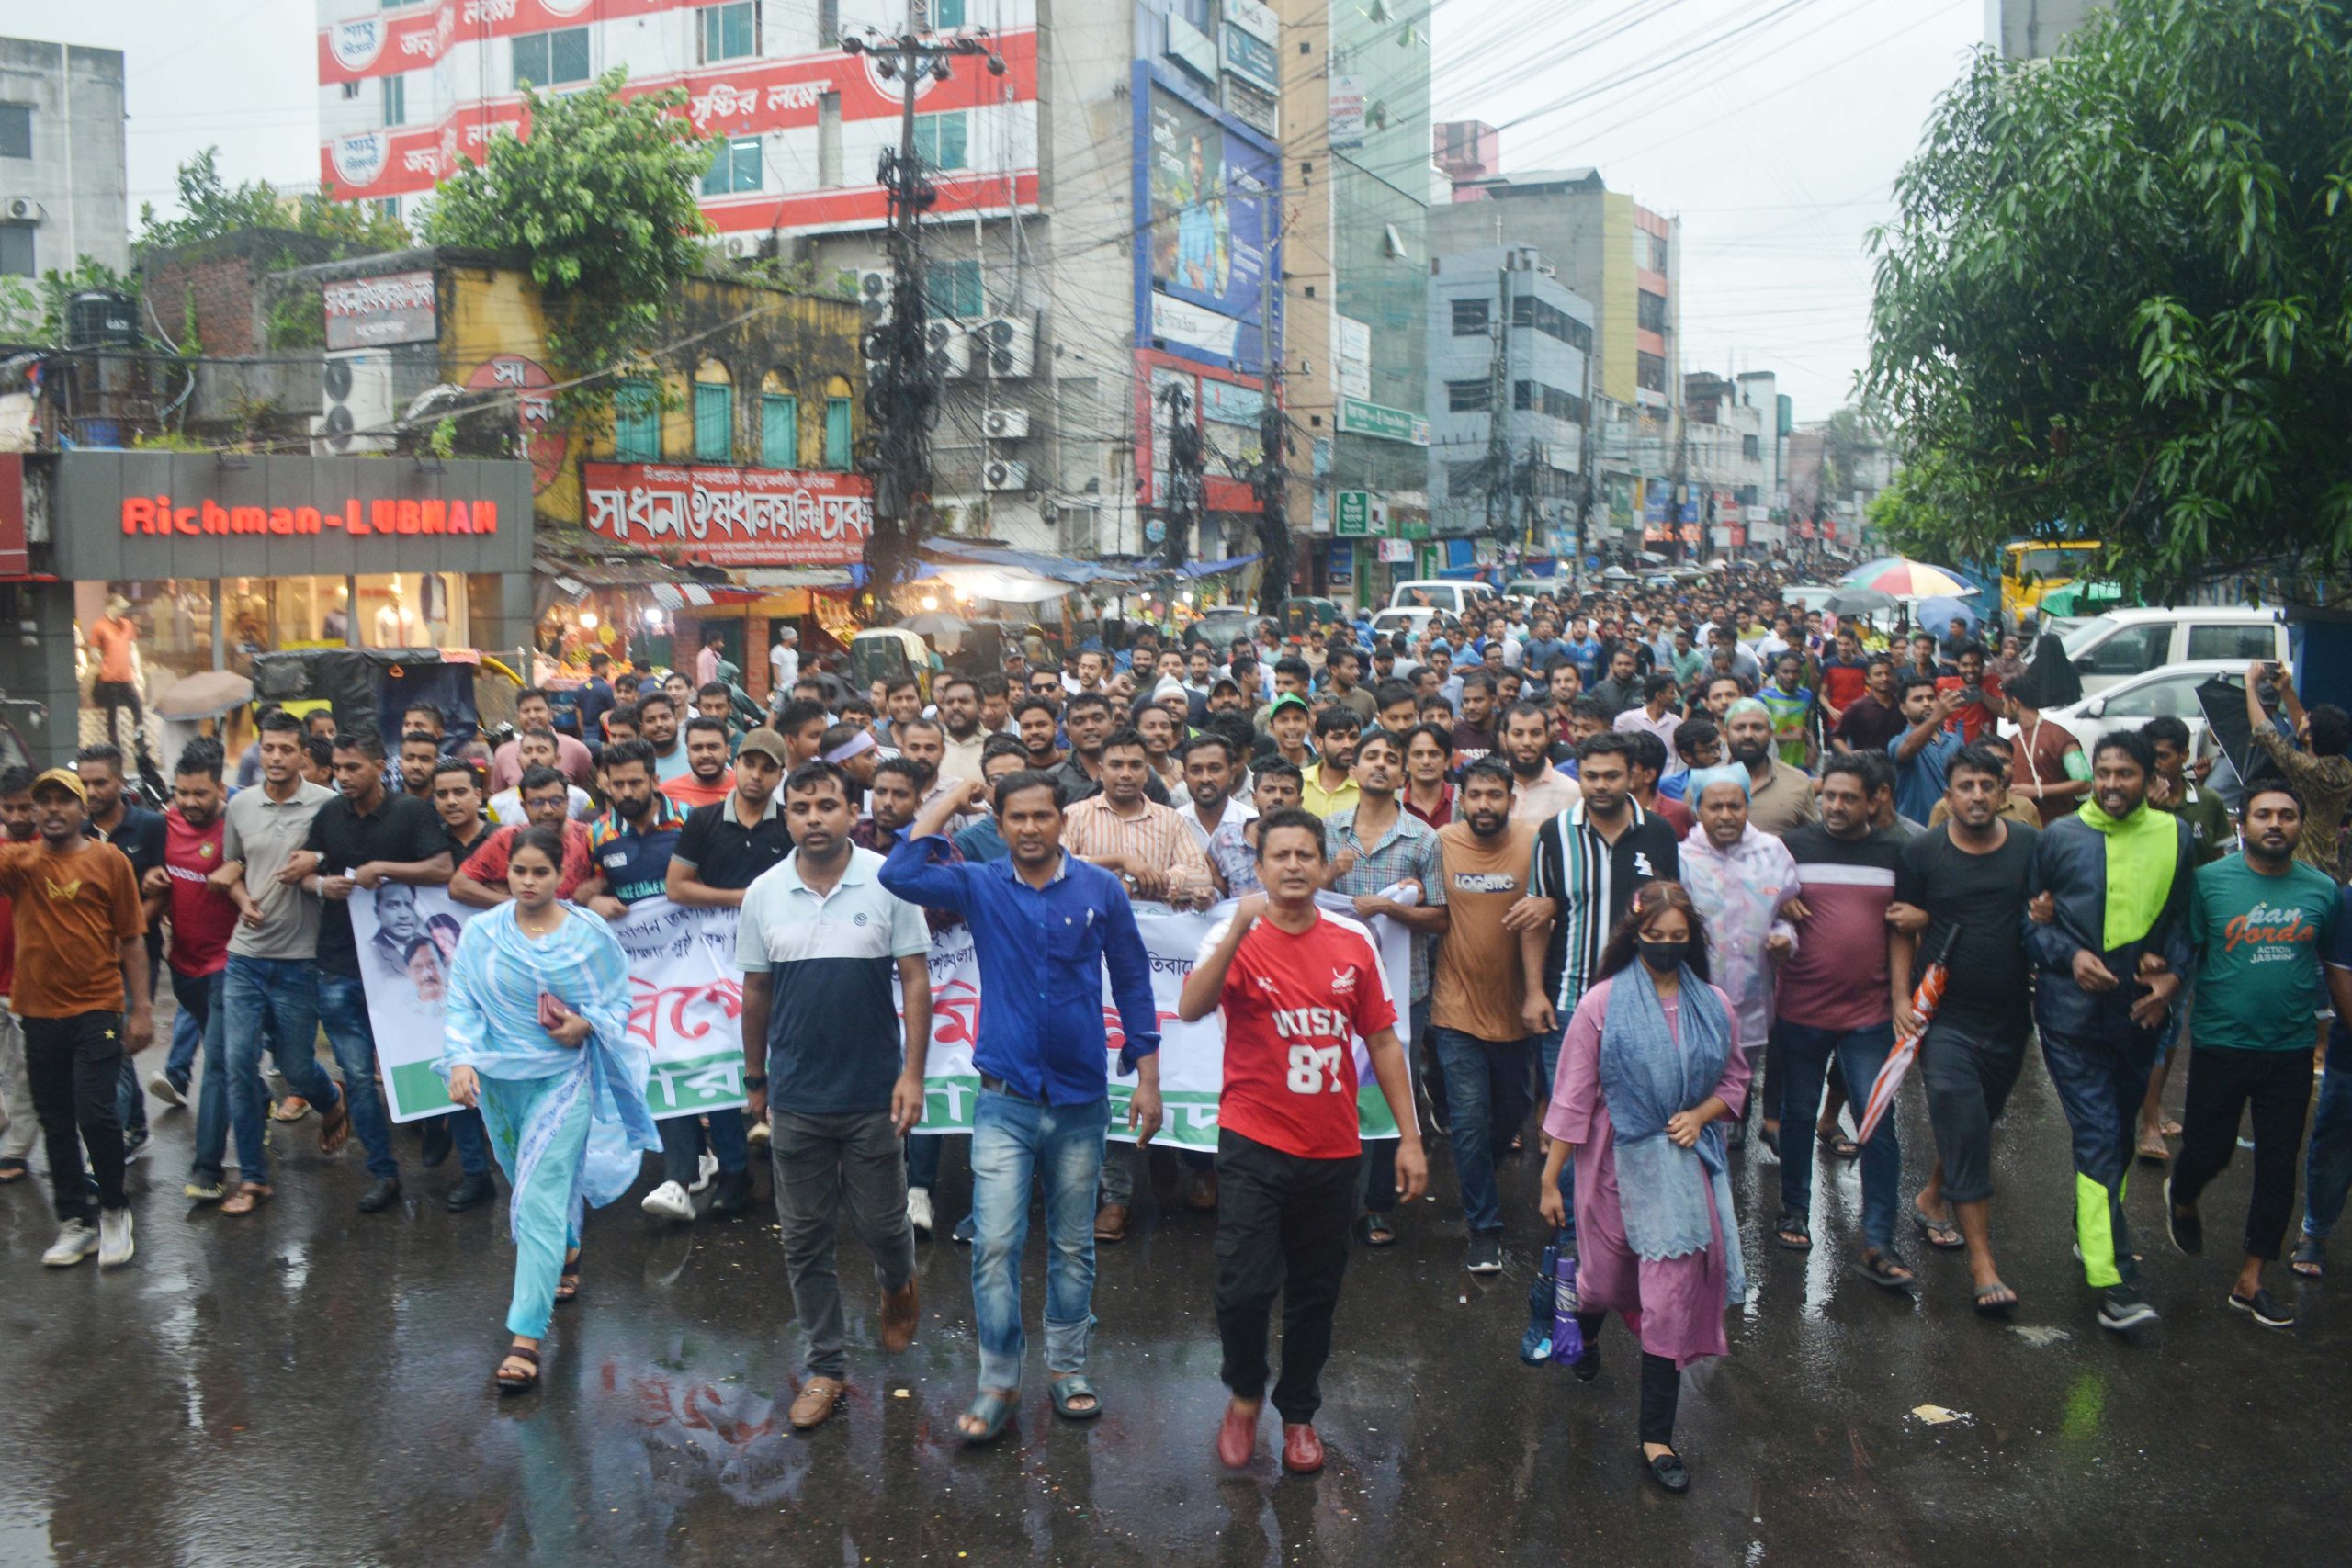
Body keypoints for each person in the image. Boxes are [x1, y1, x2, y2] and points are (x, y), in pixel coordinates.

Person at [881, 773, 1163, 1444]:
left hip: (1080, 1099)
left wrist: (1147, 1078)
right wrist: (952, 798)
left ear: (1063, 821)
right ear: (1000, 824)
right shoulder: (979, 883)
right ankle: (998, 1380)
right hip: (1003, 1098)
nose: (1031, 828)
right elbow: (900, 872)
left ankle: (1067, 1369)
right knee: (995, 1244)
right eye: (1017, 818)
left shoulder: (1100, 889)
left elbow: (1132, 979)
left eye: (1042, 816)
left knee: (1072, 1244)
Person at [1182, 810, 1428, 1475]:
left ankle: (1298, 1413)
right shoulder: (1233, 934)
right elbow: (1191, 1007)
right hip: (1253, 1140)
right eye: (1280, 855)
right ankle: (1243, 1395)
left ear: (1324, 866)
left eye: (1305, 855)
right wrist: (1238, 926)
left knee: (1315, 1293)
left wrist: (1410, 1137)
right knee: (1242, 1285)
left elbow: (1383, 1040)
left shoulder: (1353, 941)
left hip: (1332, 1147)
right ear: (1259, 867)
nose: (1293, 866)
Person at [1536, 881, 1748, 1496]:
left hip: (1682, 1171)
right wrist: (1550, 1179)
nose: (1665, 946)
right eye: (1655, 936)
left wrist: (1701, 1114)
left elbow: (1736, 1082)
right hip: (1610, 1164)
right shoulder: (1601, 1003)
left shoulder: (1715, 1004)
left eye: (1678, 937)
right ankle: (1581, 1329)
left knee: (1669, 1301)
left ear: (1692, 940)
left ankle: (1657, 1437)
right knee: (1604, 1281)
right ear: (1635, 936)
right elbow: (1573, 1095)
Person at [738, 762, 932, 1427]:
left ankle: (898, 1283)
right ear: (785, 818)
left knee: (884, 1225)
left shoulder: (888, 880)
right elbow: (756, 990)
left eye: (827, 805)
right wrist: (756, 1079)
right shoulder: (763, 893)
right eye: (801, 808)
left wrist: (913, 1074)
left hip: (874, 1092)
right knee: (804, 1238)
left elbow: (915, 980)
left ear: (854, 811)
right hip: (796, 1097)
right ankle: (826, 1366)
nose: (814, 818)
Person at [441, 824, 659, 1393]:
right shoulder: (482, 933)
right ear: (506, 872)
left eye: (541, 872)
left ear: (562, 875)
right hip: (500, 1083)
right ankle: (567, 1247)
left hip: (563, 1079)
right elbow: (462, 1002)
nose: (529, 882)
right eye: (520, 871)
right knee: (529, 1184)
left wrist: (586, 1023)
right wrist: (461, 1060)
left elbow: (618, 1001)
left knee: (537, 1197)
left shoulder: (588, 935)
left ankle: (525, 1338)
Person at [2024, 729, 2192, 1333]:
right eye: (2104, 773)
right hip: (2070, 1018)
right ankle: (2113, 1281)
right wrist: (2069, 956)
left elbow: (2184, 923)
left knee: (2117, 1135)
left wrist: (2173, 977)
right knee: (2097, 1134)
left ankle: (2090, 1229)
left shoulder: (2177, 835)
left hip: (2140, 1017)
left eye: (2125, 773)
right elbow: (2030, 923)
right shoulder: (2060, 837)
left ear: (2151, 779)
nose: (2112, 784)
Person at [2164, 784, 2340, 1330]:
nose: (2276, 823)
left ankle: (2251, 1279)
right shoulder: (2209, 883)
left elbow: (2331, 966)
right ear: (2243, 824)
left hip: (2290, 1049)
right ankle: (2183, 1193)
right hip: (2221, 1043)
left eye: (2287, 815)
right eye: (2264, 814)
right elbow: (2184, 951)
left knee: (2279, 1165)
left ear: (2301, 825)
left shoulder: (2322, 891)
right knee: (2209, 1151)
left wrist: (2329, 1032)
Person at [1889, 744, 2040, 1314]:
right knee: (1963, 1117)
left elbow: (2042, 911)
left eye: (1986, 785)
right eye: (1965, 786)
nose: (1976, 796)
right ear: (1947, 796)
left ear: (2003, 793)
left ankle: (1932, 1196)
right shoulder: (1922, 853)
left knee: (1975, 1123)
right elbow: (1899, 926)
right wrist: (1901, 999)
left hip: (2010, 1017)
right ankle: (1983, 1265)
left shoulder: (2028, 845)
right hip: (1946, 1018)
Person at [1770, 755, 1910, 1287]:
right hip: (1800, 1010)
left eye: (1849, 798)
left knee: (1878, 1123)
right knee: (1798, 1114)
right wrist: (1780, 908)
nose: (1835, 806)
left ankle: (1879, 1239)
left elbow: (1902, 929)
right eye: (1829, 795)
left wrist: (1901, 998)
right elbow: (1763, 904)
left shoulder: (1896, 853)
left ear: (1875, 800)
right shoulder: (1793, 848)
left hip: (1869, 1016)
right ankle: (1793, 1212)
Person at [2, 768, 150, 1268]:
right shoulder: (19, 862)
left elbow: (132, 939)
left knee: (96, 1113)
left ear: (83, 810)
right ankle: (75, 1222)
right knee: (55, 1119)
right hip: (38, 1012)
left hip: (97, 1008)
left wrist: (141, 1010)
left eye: (63, 800)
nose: (52, 809)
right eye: (42, 801)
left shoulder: (109, 860)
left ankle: (113, 1210)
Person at [301, 729, 453, 1213]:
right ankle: (383, 1172)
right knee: (358, 1076)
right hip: (338, 964)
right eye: (337, 769)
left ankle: (436, 1122)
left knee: (423, 1054)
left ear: (378, 766)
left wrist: (382, 868)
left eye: (353, 767)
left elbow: (442, 868)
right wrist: (320, 884)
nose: (342, 777)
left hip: (402, 965)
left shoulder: (410, 812)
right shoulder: (329, 814)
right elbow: (306, 867)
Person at [208, 711, 348, 1215]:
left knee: (295, 1068)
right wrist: (240, 897)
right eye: (268, 748)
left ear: (303, 755)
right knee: (237, 1064)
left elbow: (345, 858)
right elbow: (235, 864)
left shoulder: (327, 804)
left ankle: (330, 1098)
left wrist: (319, 859)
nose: (276, 757)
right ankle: (253, 1178)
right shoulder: (240, 805)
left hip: (299, 960)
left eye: (286, 749)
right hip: (246, 956)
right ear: (259, 749)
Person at [1321, 729, 1446, 1248]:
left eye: (1391, 759)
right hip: (1331, 989)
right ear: (1353, 770)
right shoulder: (1327, 831)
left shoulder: (1424, 839)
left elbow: (1440, 917)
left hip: (1401, 989)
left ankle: (1376, 1204)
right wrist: (1331, 872)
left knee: (1391, 1091)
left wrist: (1393, 908)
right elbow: (1297, 896)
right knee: (1333, 1089)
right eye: (1370, 757)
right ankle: (1333, 1199)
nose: (1381, 765)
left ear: (1402, 774)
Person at [1429, 759, 1538, 1274]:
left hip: (1518, 1009)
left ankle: (1480, 1180)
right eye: (1475, 795)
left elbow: (1555, 903)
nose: (1484, 805)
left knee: (1513, 1111)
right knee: (1469, 1120)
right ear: (1461, 799)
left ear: (1510, 799)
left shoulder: (1535, 843)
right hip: (1455, 1006)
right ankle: (1484, 1230)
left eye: (1494, 795)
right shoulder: (1441, 843)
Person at [1674, 765, 1797, 1148]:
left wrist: (1784, 937)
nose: (1726, 815)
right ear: (1698, 809)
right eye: (1715, 807)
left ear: (1747, 806)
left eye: (1735, 806)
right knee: (1698, 1078)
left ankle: (1733, 1122)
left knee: (1741, 1069)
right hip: (1697, 993)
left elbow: (1787, 913)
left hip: (1753, 992)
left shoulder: (1772, 852)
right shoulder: (1682, 858)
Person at [76, 744, 165, 1161]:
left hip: (137, 956)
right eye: (85, 783)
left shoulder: (149, 826)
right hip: (90, 962)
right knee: (108, 1045)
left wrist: (124, 933)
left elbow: (163, 894)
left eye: (100, 782)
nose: (91, 791)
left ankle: (108, 1149)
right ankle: (135, 1128)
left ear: (119, 782)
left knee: (117, 1045)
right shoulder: (76, 831)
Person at [2242, 662, 2352, 879]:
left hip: (2306, 866)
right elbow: (2306, 729)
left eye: (2307, 719)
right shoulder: (2344, 768)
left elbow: (2265, 733)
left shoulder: (2310, 771)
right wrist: (2285, 689)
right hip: (2331, 862)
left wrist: (2250, 684)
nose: (2302, 719)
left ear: (2310, 735)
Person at [454, 768, 597, 910]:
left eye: (556, 801)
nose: (548, 810)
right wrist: (518, 904)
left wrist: (598, 883)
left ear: (567, 802)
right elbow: (458, 886)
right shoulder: (507, 839)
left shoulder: (590, 836)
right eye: (537, 803)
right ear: (524, 806)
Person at [1208, 760, 1300, 899]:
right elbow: (1217, 893)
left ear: (1300, 801)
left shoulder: (1308, 843)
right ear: (1255, 798)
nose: (1277, 797)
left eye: (1287, 791)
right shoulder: (1226, 838)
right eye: (1269, 790)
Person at [1723, 698, 1815, 837]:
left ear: (1771, 733)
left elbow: (1813, 839)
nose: (1748, 735)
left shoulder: (1798, 782)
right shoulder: (1704, 782)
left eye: (1757, 728)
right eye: (1740, 728)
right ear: (1726, 734)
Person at [1889, 676, 1966, 828]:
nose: (1926, 703)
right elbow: (1906, 751)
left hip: (1953, 829)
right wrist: (1937, 717)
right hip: (1915, 830)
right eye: (1918, 699)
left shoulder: (1954, 741)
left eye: (1931, 698)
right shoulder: (1898, 742)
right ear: (1903, 708)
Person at [489, 688, 596, 792]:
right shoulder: (503, 754)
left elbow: (585, 787)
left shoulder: (576, 749)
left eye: (538, 710)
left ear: (551, 714)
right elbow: (500, 798)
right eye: (526, 711)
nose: (532, 716)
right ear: (518, 717)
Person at [1501, 702, 1580, 824]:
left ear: (1548, 737)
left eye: (1536, 733)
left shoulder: (1572, 792)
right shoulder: (1489, 788)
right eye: (1518, 734)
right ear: (1505, 738)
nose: (1527, 742)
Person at [1832, 656, 1905, 756]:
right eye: (1878, 674)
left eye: (1887, 673)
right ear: (1868, 679)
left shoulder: (1902, 706)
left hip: (1898, 762)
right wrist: (1850, 754)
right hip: (1869, 763)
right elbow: (1836, 736)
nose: (1884, 678)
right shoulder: (1857, 707)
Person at [660, 716, 738, 810]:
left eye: (713, 747)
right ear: (688, 754)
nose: (705, 755)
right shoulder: (666, 794)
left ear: (728, 751)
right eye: (697, 748)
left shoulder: (743, 787)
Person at [1758, 653, 1817, 773]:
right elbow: (1757, 736)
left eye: (1795, 672)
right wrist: (1790, 737)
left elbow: (1807, 727)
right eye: (1785, 672)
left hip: (1800, 762)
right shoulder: (1763, 698)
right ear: (1776, 673)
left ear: (1801, 674)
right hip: (1772, 763)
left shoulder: (1807, 696)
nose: (1791, 676)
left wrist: (1813, 748)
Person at [1611, 672, 1684, 769]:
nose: (1676, 697)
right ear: (1659, 696)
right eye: (1672, 693)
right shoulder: (1625, 720)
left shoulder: (1676, 723)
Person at [1400, 722, 1454, 829]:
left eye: (1434, 754)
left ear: (1447, 761)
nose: (1426, 761)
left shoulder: (1461, 802)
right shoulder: (1392, 803)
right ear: (1406, 762)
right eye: (1418, 754)